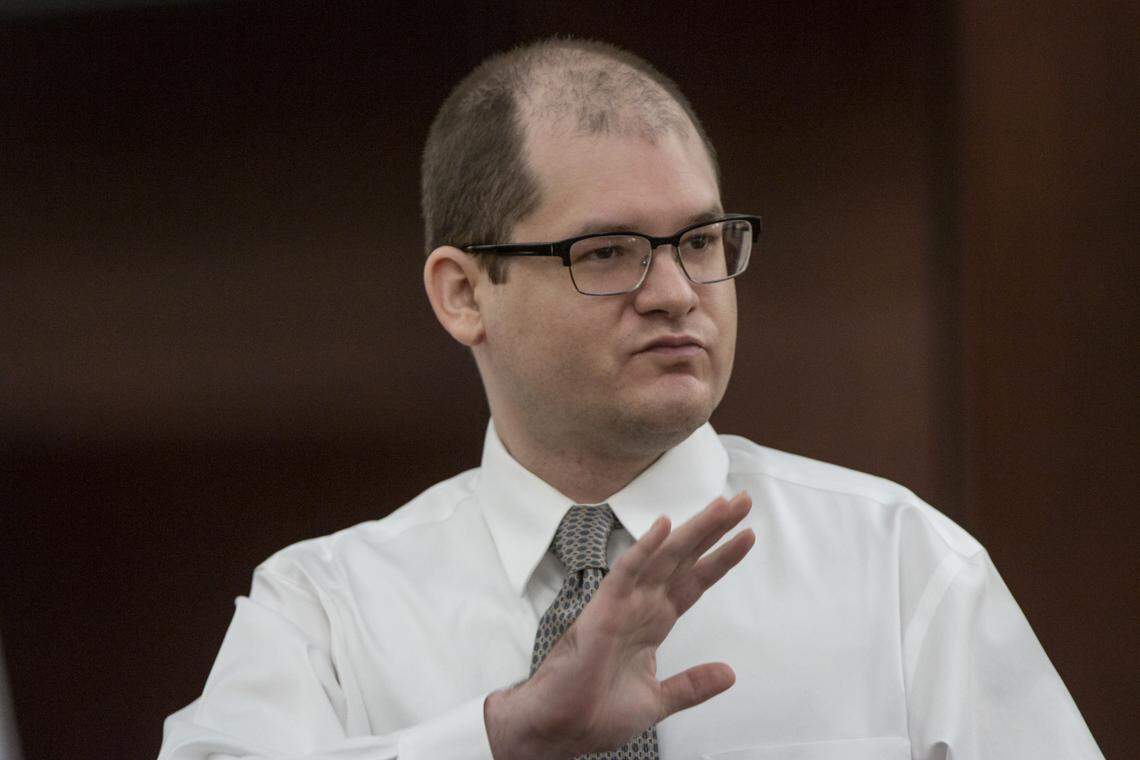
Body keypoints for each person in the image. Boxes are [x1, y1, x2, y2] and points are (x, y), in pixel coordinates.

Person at [158, 38, 1102, 759]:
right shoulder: (328, 611)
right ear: (462, 293)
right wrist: (495, 740)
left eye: (701, 241)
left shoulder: (903, 569)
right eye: (606, 251)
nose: (677, 291)